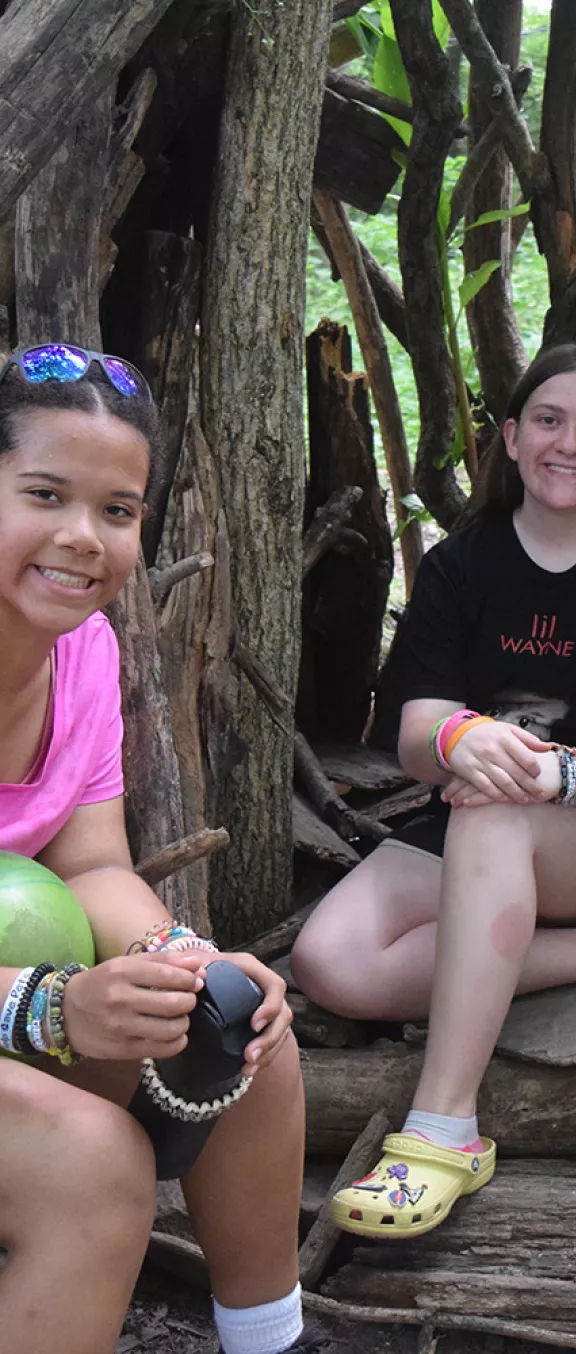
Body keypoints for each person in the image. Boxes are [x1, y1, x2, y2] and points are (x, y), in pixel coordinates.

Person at [291, 343, 576, 1239]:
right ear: (509, 437)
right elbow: (418, 731)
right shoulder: (467, 562)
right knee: (329, 962)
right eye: (547, 419)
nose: (567, 442)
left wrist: (548, 771)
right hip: (467, 823)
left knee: (500, 804)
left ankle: (445, 1127)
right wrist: (462, 737)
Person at [0, 344, 318, 1354]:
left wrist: (178, 958)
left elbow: (93, 864)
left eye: (119, 510)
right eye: (44, 493)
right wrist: (49, 1006)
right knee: (90, 1161)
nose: (81, 537)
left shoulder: (82, 648)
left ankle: (269, 1340)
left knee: (238, 1034)